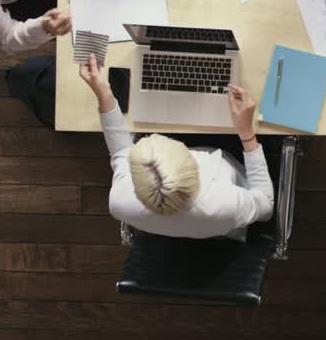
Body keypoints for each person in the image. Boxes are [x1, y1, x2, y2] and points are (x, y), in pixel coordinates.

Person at [79, 55, 273, 240]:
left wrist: (103, 93)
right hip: (221, 204)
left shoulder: (120, 200)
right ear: (193, 161)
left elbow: (121, 152)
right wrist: (247, 132)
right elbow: (266, 205)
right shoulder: (225, 204)